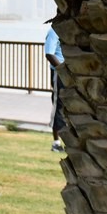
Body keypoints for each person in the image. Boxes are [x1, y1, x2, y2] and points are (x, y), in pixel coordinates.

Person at [44, 25, 67, 153]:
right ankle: (56, 143)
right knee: (59, 106)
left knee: (67, 106)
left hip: (69, 73)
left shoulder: (67, 29)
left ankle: (68, 141)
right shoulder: (54, 31)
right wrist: (63, 69)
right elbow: (49, 53)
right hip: (59, 74)